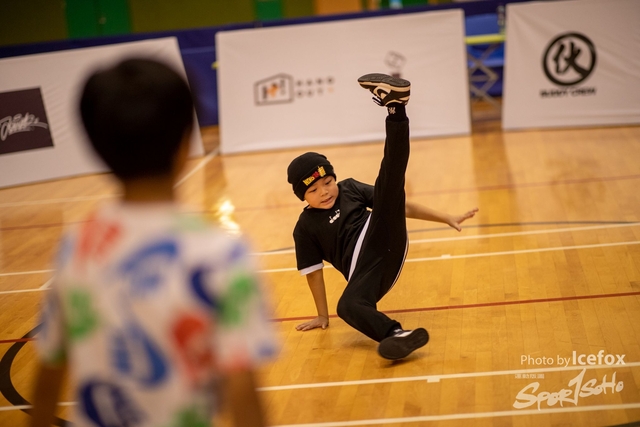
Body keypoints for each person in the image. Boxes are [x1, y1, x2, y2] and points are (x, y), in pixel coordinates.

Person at [30, 58, 276, 427]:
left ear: (97, 149)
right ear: (185, 143)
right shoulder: (222, 253)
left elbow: (49, 372)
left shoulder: (76, 246)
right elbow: (242, 389)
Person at [287, 73, 478, 360]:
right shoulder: (304, 228)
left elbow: (399, 205)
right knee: (347, 306)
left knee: (390, 180)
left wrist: (446, 217)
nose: (324, 191)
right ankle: (395, 334)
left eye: (328, 182)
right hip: (369, 272)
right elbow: (313, 273)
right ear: (303, 197)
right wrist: (322, 315)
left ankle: (396, 109)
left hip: (380, 234)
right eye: (314, 190)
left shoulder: (349, 188)